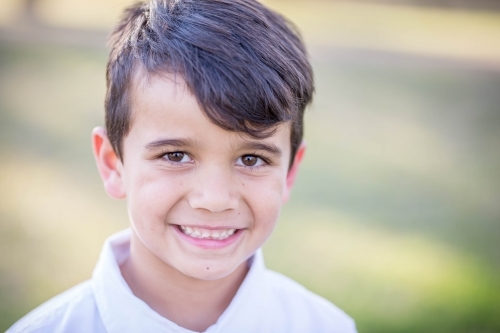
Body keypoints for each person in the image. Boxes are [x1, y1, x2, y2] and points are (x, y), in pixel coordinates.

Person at [8, 0, 357, 332]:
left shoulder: (326, 327)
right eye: (175, 156)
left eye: (252, 159)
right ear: (114, 165)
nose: (215, 199)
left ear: (290, 172)